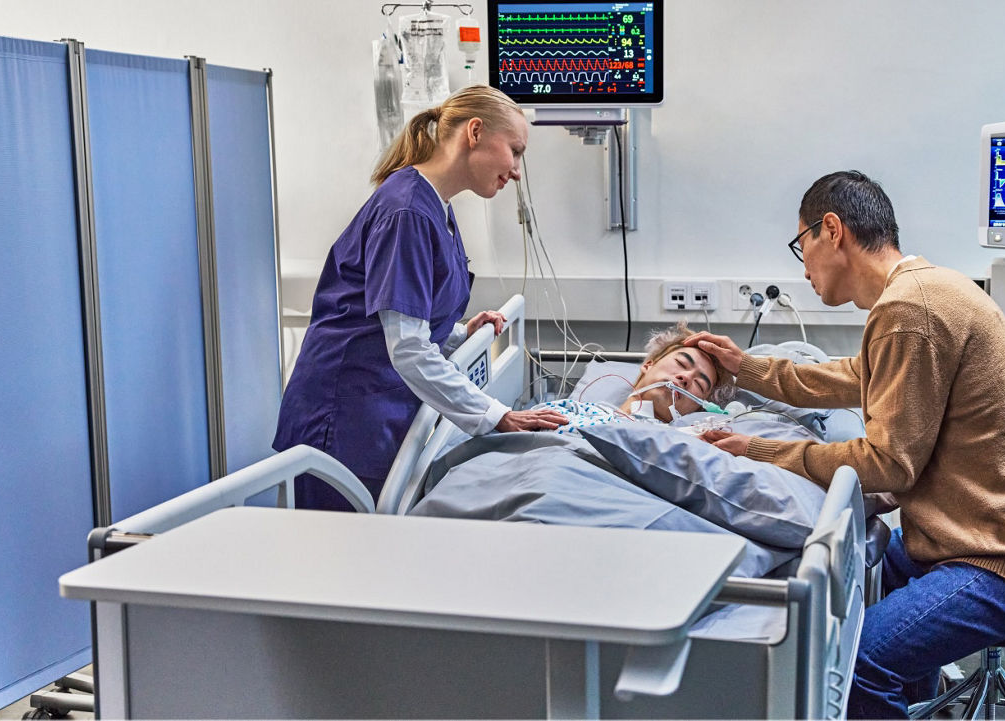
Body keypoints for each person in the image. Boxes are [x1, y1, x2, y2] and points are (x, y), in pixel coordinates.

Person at [684, 171, 1005, 719]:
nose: (802, 266)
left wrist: (757, 450)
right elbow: (853, 376)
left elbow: (887, 465)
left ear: (832, 230)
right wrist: (747, 369)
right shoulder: (927, 286)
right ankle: (918, 702)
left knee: (863, 660)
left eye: (801, 244)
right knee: (858, 567)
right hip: (987, 535)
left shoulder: (909, 312)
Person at [274, 86, 567, 512]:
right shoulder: (407, 211)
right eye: (515, 150)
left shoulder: (436, 207)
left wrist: (461, 332)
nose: (517, 171)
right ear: (475, 132)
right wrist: (496, 415)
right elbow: (408, 346)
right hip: (341, 421)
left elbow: (402, 319)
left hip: (378, 408)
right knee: (334, 564)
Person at [539, 322, 735, 434]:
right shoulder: (574, 410)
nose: (685, 377)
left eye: (700, 384)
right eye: (682, 363)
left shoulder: (679, 440)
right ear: (649, 365)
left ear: (698, 407)